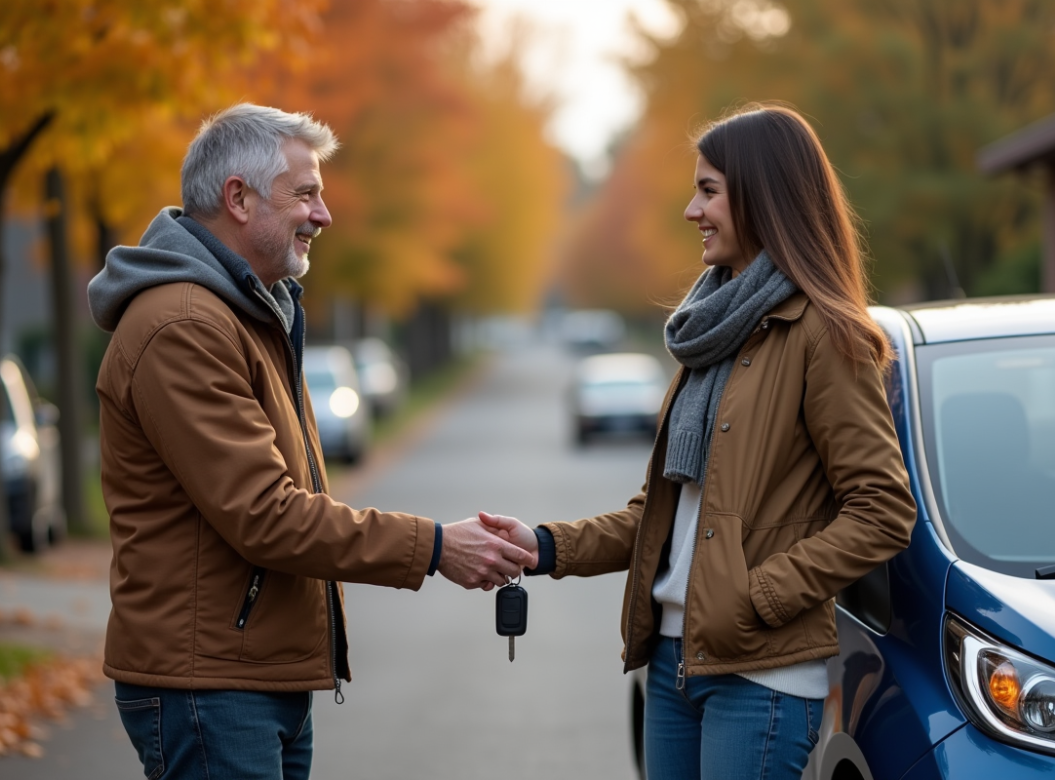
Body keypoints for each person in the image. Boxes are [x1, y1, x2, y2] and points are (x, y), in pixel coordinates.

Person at [87, 103, 535, 780]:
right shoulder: (184, 326)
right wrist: (437, 546)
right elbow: (266, 514)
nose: (324, 215)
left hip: (250, 676)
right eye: (306, 194)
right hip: (210, 685)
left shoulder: (244, 313)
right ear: (237, 198)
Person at [482, 103, 917, 780]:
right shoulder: (708, 333)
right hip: (672, 665)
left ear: (763, 197)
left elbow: (881, 510)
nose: (692, 210)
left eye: (708, 190)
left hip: (762, 676)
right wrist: (542, 546)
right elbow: (663, 519)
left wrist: (762, 594)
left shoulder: (823, 335)